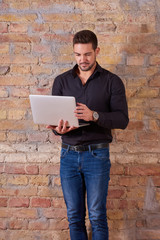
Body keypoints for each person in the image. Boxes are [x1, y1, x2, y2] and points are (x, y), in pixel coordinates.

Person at [47, 30, 129, 240]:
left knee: (97, 216)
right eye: (77, 55)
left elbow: (122, 120)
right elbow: (56, 122)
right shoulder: (62, 81)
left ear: (97, 51)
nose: (82, 60)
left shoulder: (112, 81)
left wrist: (94, 115)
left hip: (97, 156)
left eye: (87, 54)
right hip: (68, 156)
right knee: (74, 216)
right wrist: (59, 129)